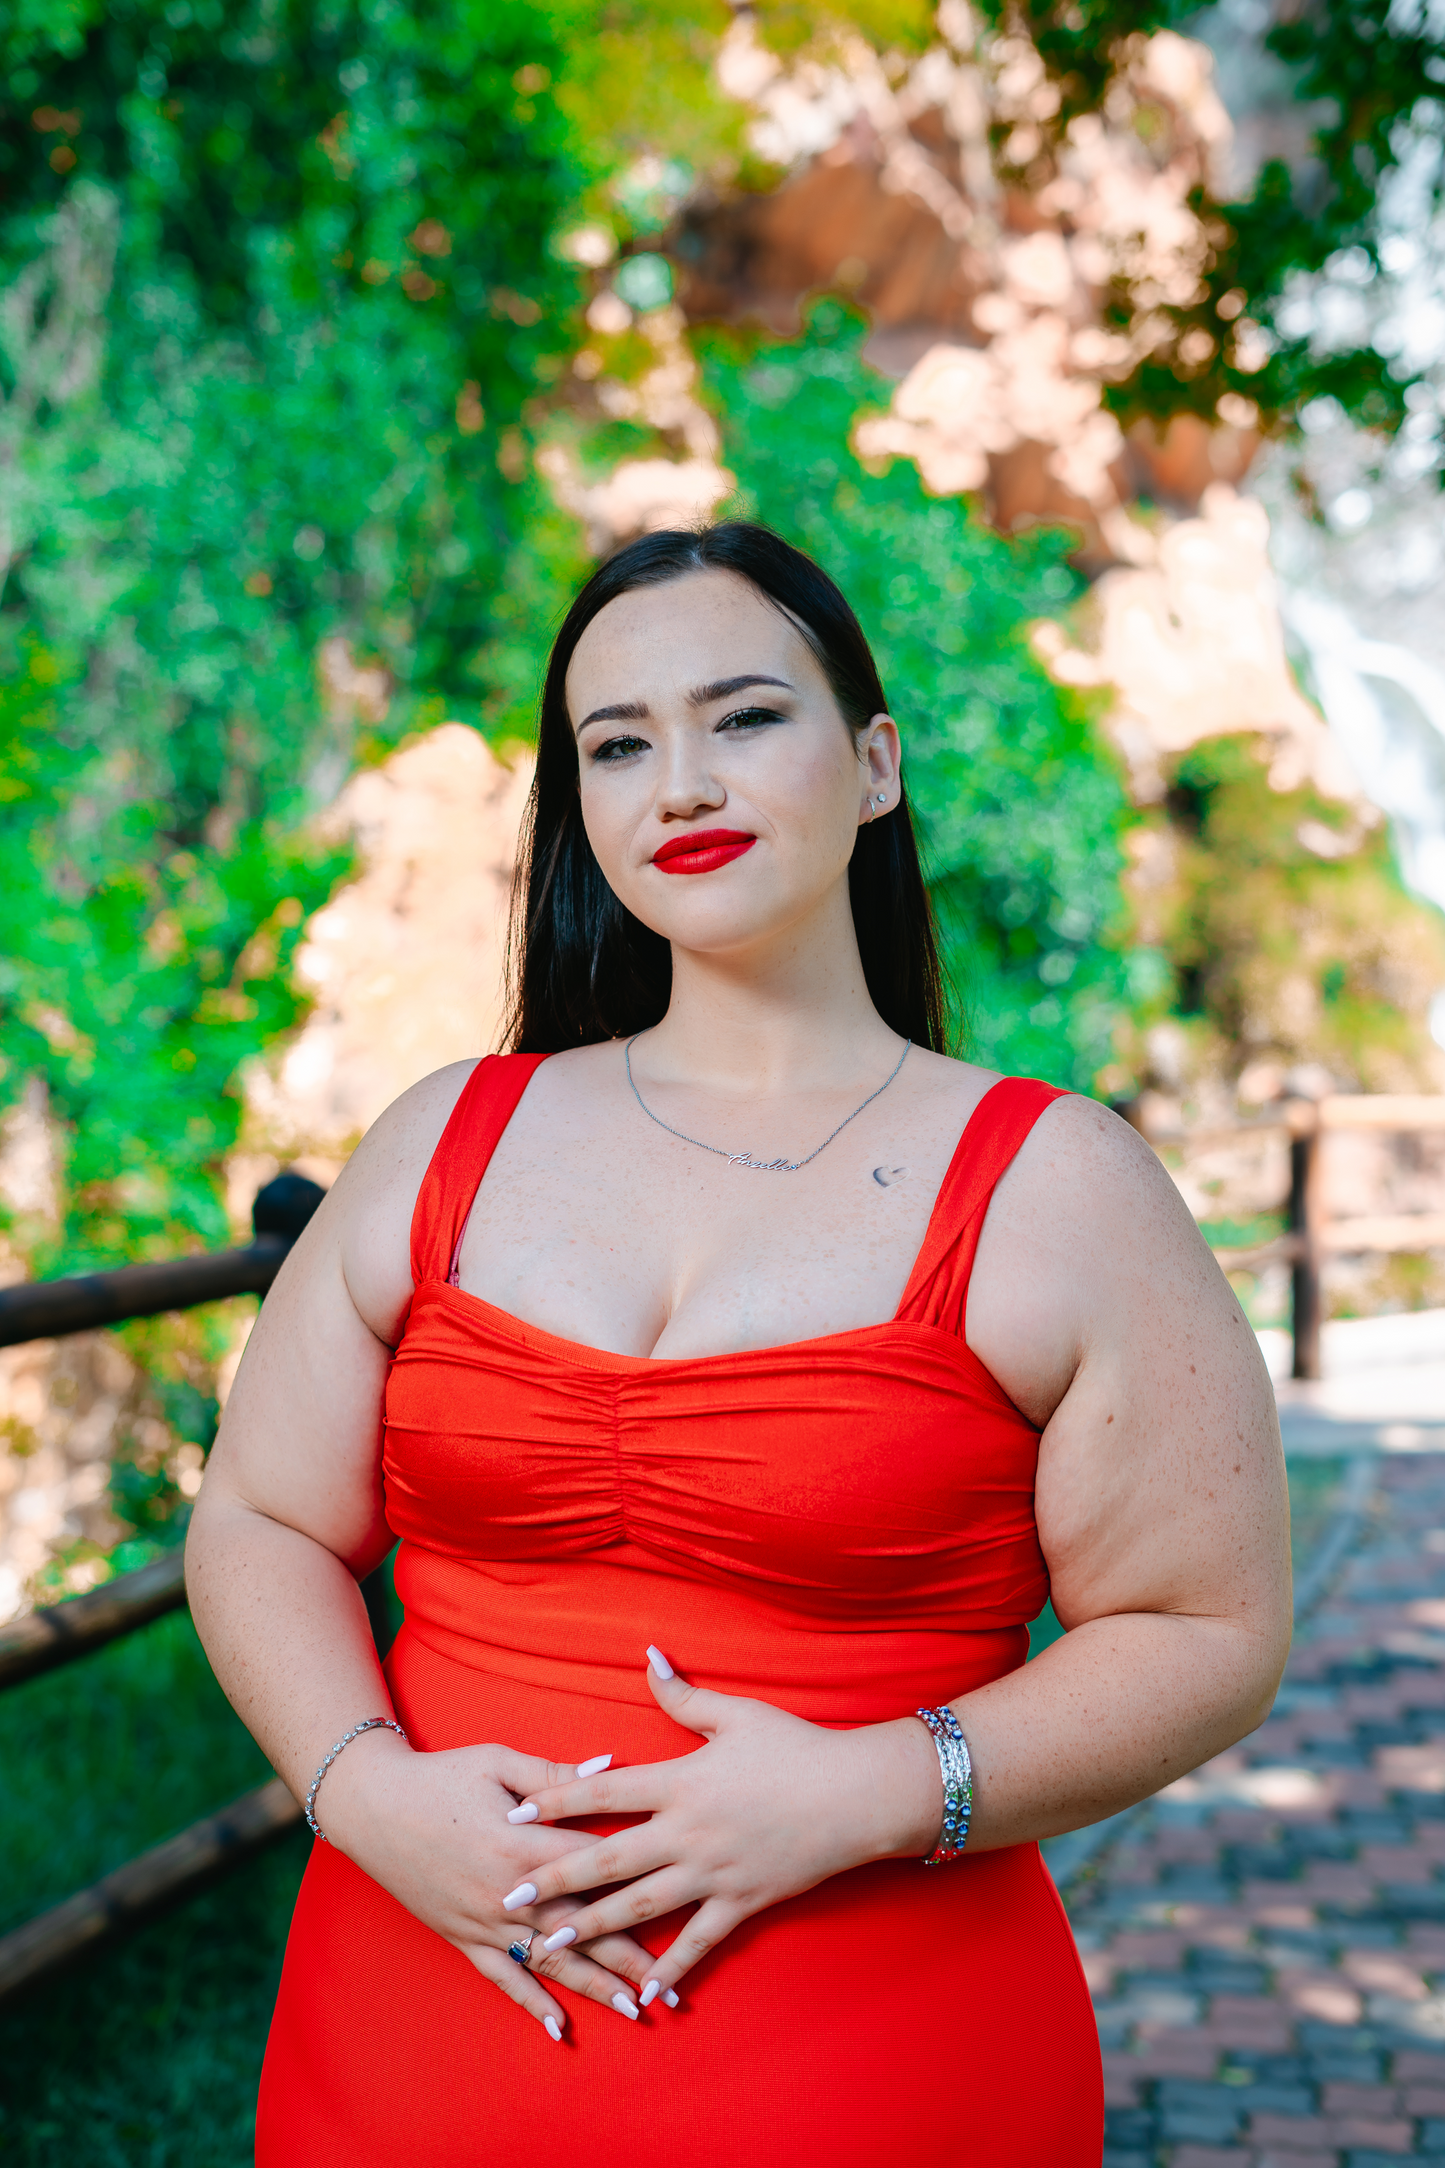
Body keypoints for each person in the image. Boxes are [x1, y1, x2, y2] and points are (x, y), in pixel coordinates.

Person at [186, 521, 1291, 2168]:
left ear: (874, 764)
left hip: (869, 2065)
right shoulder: (446, 1141)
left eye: (744, 717)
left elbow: (1209, 1629)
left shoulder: (1059, 1188)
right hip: (409, 2024)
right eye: (616, 746)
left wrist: (868, 1791)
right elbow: (260, 1522)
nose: (679, 784)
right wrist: (366, 1796)